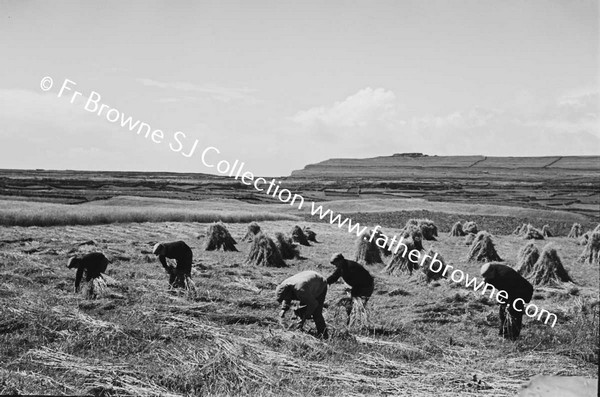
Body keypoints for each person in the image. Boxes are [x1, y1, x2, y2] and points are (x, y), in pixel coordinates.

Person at [480, 262, 534, 340]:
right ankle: (503, 334)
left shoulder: (505, 275)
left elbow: (511, 292)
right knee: (502, 312)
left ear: (492, 272)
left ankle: (513, 336)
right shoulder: (492, 272)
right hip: (508, 290)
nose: (489, 279)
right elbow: (490, 286)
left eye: (489, 277)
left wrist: (508, 304)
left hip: (522, 290)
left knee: (514, 312)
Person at [275, 270, 328, 338]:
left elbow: (314, 303)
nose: (285, 299)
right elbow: (286, 297)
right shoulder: (284, 285)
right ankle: (298, 328)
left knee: (316, 313)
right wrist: (283, 309)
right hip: (307, 282)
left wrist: (306, 316)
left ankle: (323, 335)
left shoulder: (301, 290)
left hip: (319, 283)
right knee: (300, 310)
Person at [327, 253, 374, 324]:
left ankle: (356, 324)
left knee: (357, 307)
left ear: (341, 260)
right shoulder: (341, 266)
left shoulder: (351, 267)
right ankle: (350, 322)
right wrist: (325, 282)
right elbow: (334, 276)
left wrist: (353, 295)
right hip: (357, 286)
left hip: (366, 286)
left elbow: (358, 282)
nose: (335, 266)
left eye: (336, 264)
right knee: (350, 306)